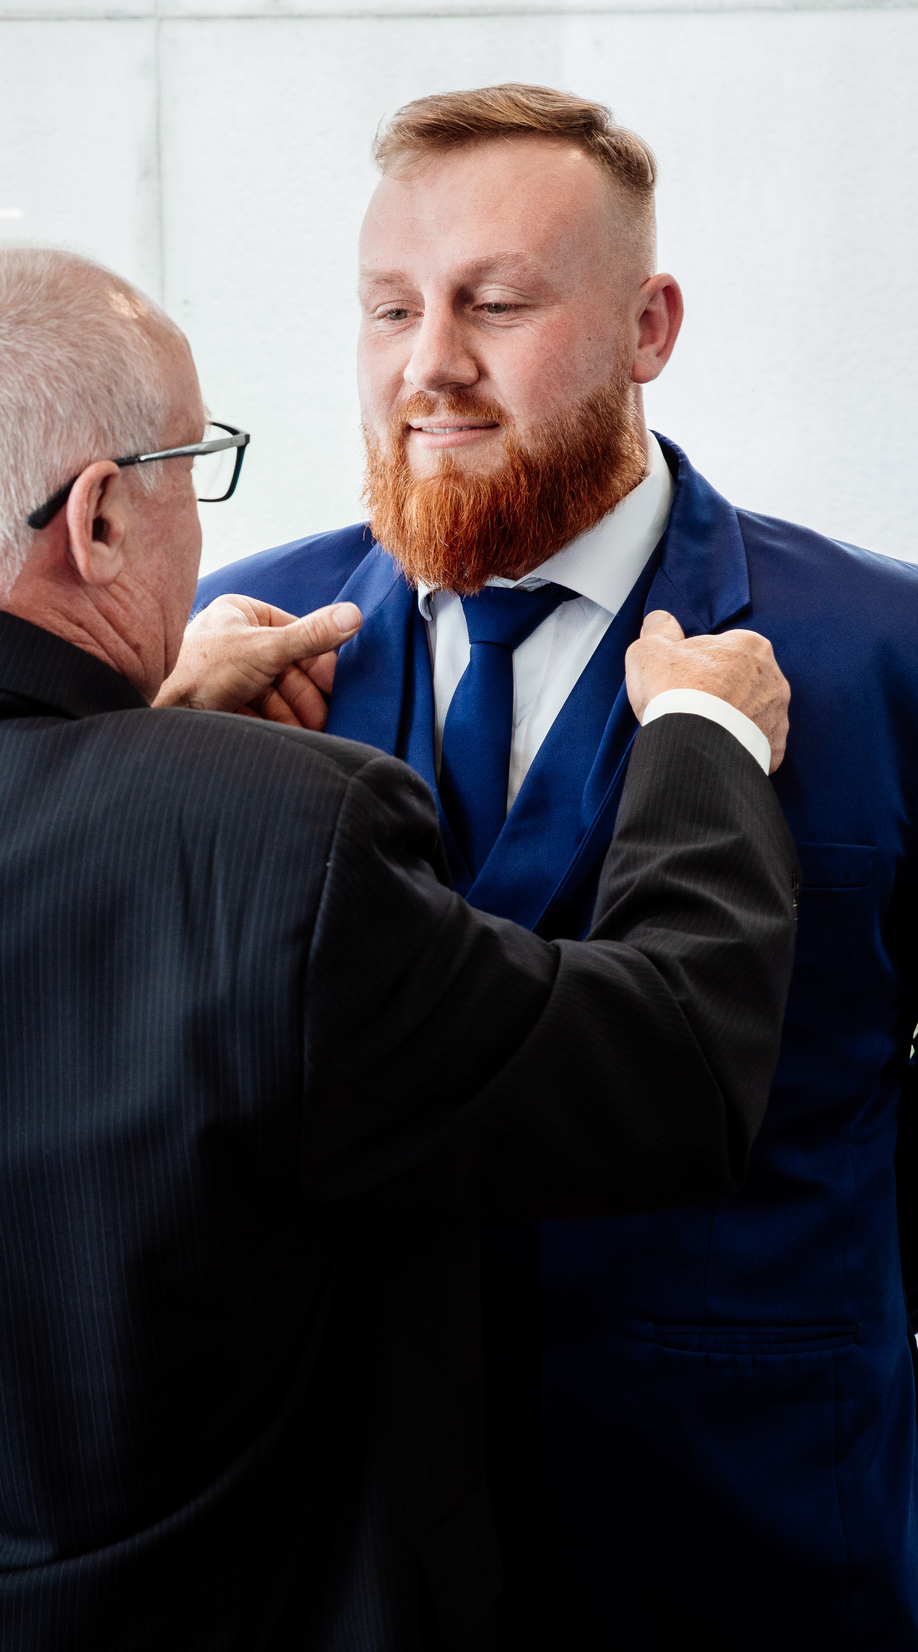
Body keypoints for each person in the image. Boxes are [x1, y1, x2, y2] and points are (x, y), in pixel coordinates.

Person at [0, 243, 795, 1652]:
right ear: (97, 519)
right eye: (190, 466)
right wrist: (707, 740)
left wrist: (141, 727)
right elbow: (670, 1071)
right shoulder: (274, 831)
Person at [194, 82, 918, 1648]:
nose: (426, 365)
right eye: (390, 308)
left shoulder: (883, 648)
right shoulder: (224, 648)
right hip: (342, 1543)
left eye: (495, 305)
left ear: (650, 327)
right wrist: (142, 765)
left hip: (750, 1521)